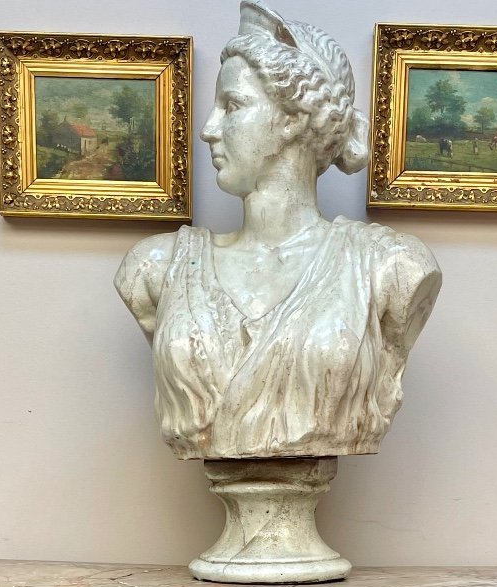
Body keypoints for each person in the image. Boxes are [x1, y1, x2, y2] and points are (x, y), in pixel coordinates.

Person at [115, 1, 441, 461]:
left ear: (294, 118)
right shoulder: (156, 267)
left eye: (233, 105)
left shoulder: (391, 266)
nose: (209, 129)